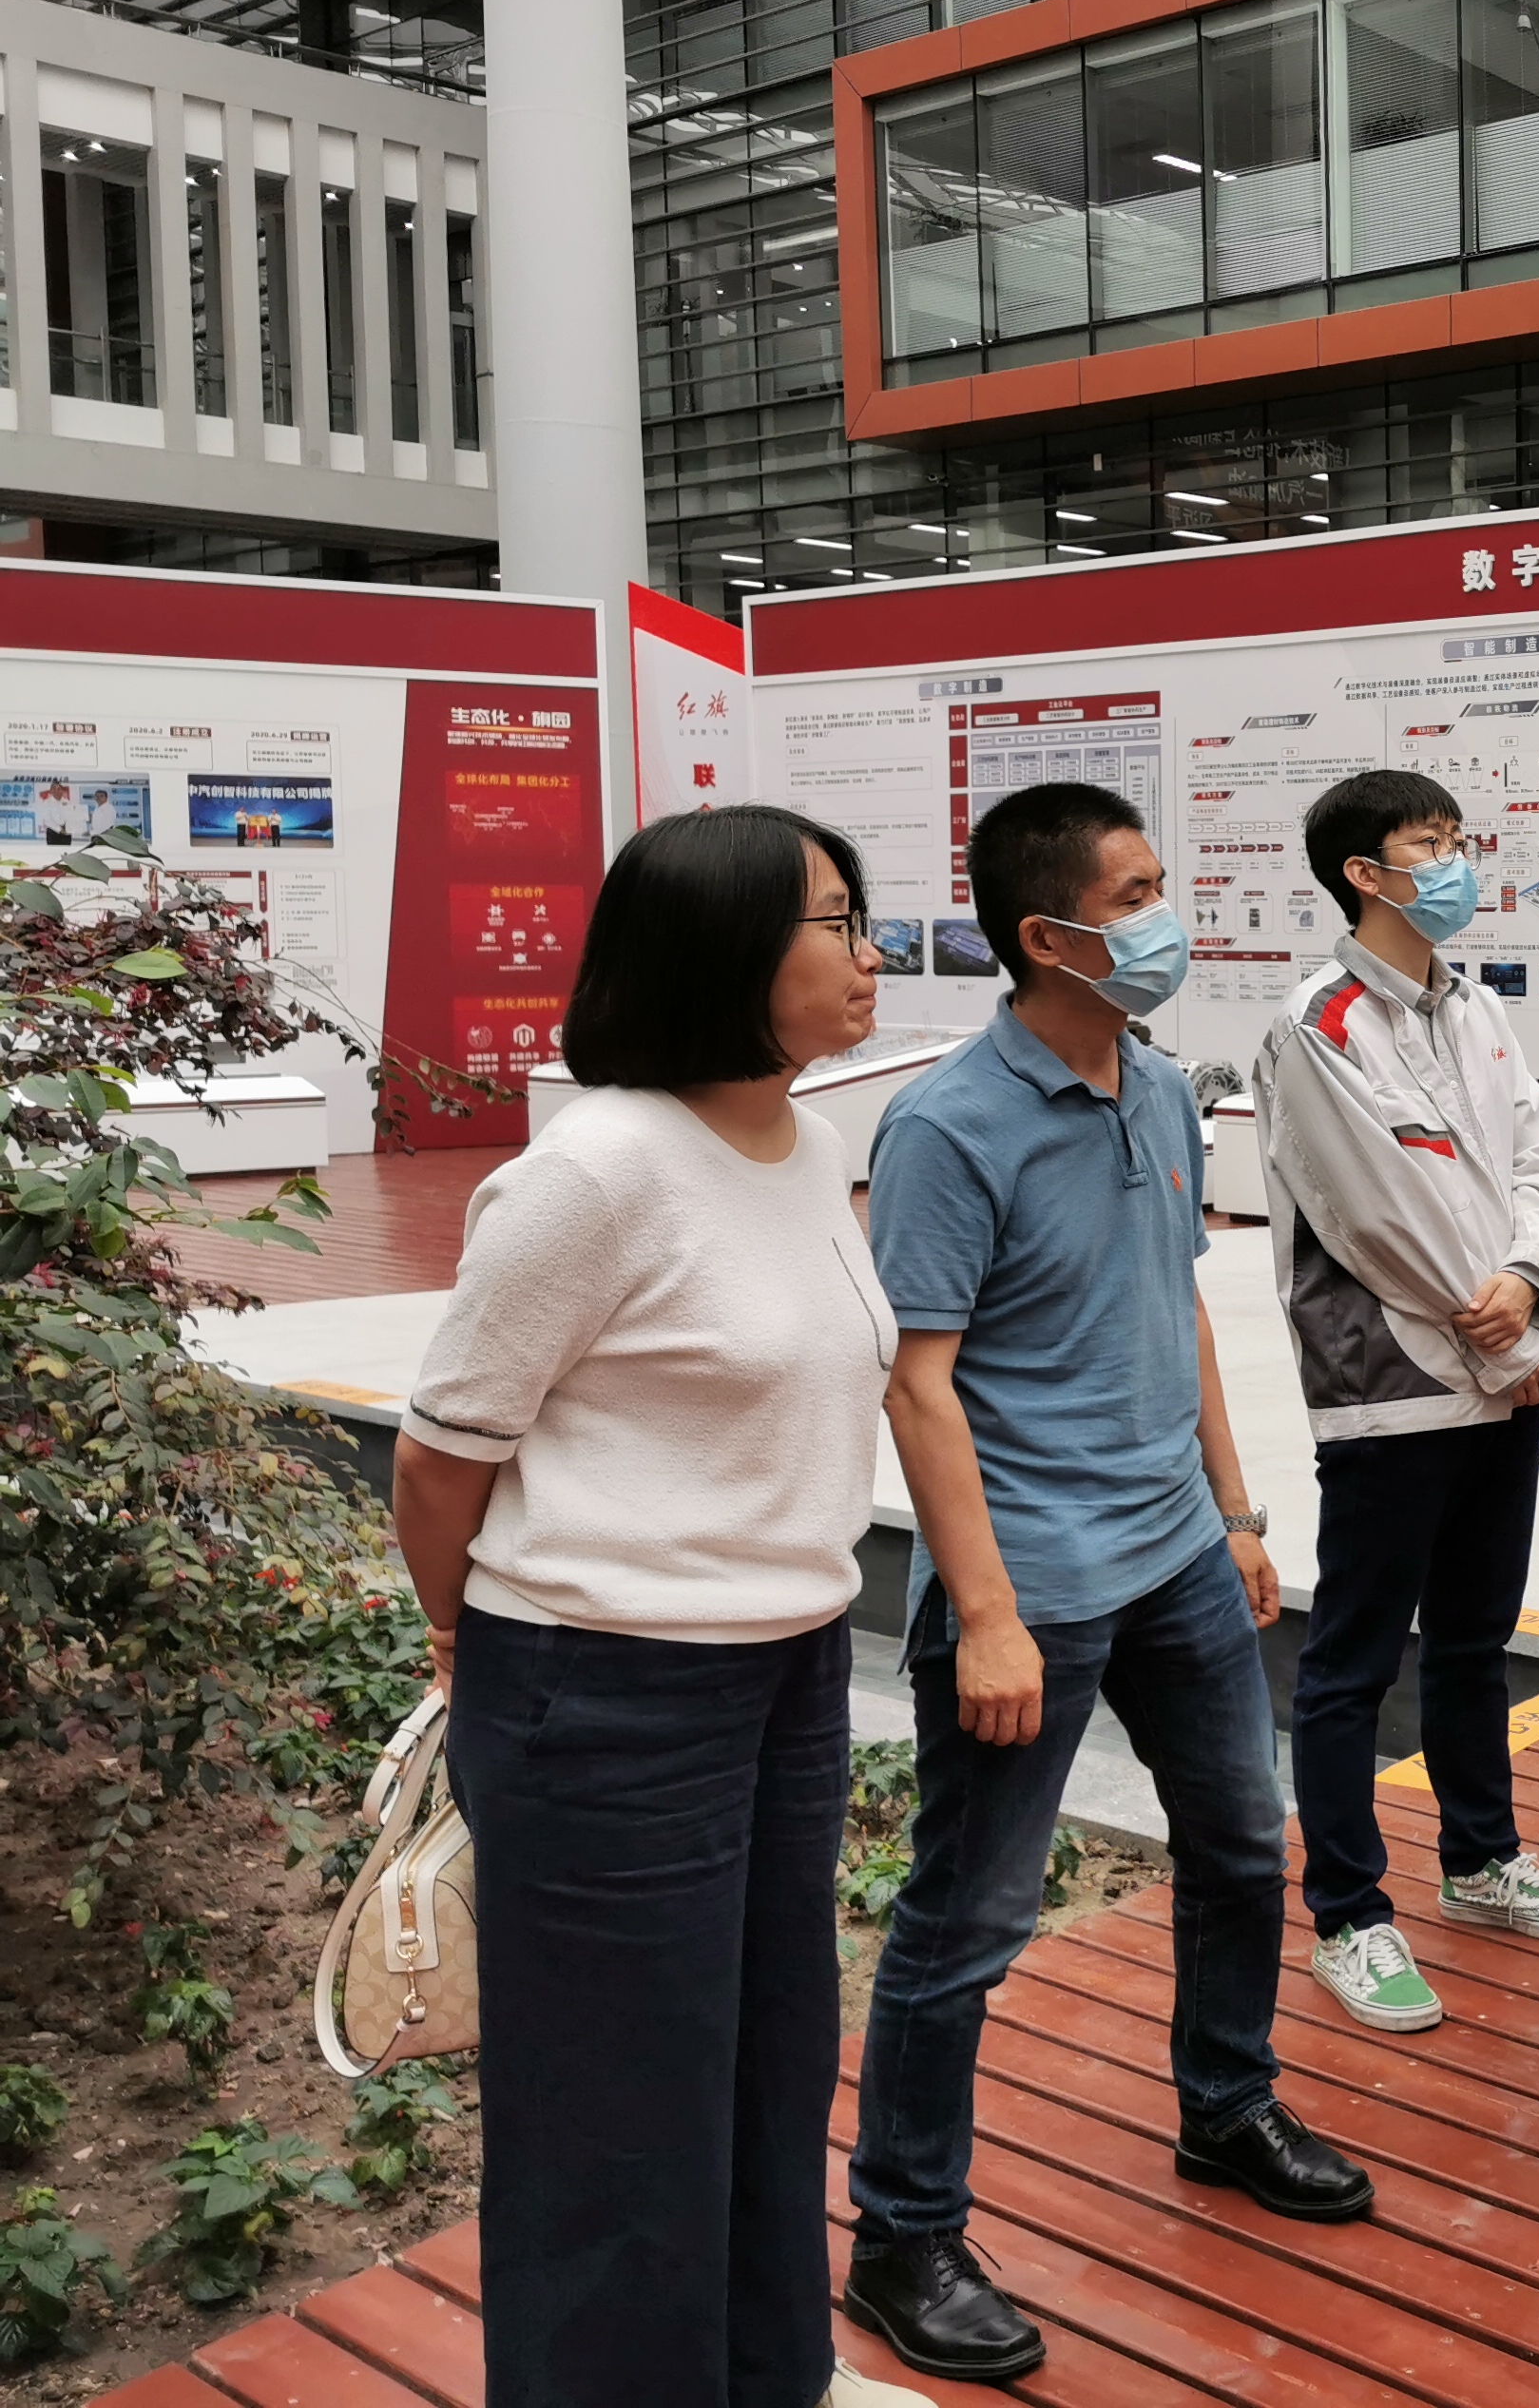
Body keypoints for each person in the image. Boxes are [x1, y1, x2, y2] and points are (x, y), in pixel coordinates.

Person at [393, 806, 930, 2408]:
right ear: (719, 948)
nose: (871, 954)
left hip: (786, 1673)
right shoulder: (595, 1173)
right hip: (604, 1688)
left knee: (768, 2055)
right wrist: (461, 1637)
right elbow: (441, 1456)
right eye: (835, 922)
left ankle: (773, 2375)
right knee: (614, 2117)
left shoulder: (803, 1142)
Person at [844, 781, 1368, 2388]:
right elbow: (917, 1385)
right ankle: (903, 2236)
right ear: (1047, 936)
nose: (1166, 917)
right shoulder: (946, 1125)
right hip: (1035, 1579)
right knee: (969, 1917)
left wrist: (1236, 1511)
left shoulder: (1154, 1085)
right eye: (1134, 895)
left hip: (1177, 1551)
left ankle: (1226, 2105)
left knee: (1243, 1843)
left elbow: (1176, 1307)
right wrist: (987, 1613)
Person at [1258, 767, 1539, 2036]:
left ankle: (1480, 1858)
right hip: (1392, 1386)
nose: (1454, 863)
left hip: (1505, 1369)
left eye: (1455, 839)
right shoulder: (1317, 1025)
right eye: (1428, 844)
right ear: (1364, 873)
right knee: (1351, 1660)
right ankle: (1348, 1915)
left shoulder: (1479, 1008)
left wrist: (1534, 1284)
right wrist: (1507, 1338)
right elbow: (1383, 1213)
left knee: (1473, 1639)